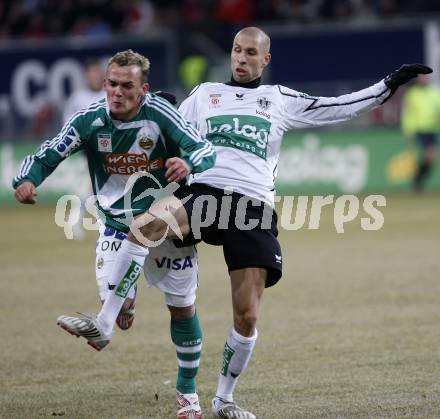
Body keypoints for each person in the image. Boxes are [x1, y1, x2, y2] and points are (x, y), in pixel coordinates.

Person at [58, 28, 431, 419]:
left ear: (264, 59)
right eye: (237, 50)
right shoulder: (203, 95)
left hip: (251, 206)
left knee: (247, 315)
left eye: (250, 52)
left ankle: (224, 399)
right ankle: (104, 323)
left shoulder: (279, 100)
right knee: (145, 226)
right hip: (205, 193)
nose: (241, 58)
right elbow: (167, 132)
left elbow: (340, 106)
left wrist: (389, 84)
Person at [13, 49, 215, 419]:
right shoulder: (89, 121)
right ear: (104, 84)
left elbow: (204, 149)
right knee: (120, 305)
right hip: (117, 224)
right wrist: (27, 178)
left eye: (127, 86)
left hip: (169, 221)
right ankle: (122, 304)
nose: (117, 92)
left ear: (143, 90)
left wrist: (187, 160)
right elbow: (48, 154)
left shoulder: (160, 115)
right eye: (112, 84)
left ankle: (187, 392)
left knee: (183, 310)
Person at [62, 58, 106, 240]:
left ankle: (79, 220)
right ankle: (79, 220)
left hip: (110, 146)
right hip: (90, 147)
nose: (94, 77)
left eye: (97, 73)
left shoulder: (108, 95)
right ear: (86, 76)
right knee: (94, 185)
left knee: (96, 188)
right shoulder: (78, 98)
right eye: (91, 73)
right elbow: (68, 123)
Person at [401, 73, 440, 192]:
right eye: (422, 77)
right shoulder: (412, 94)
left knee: (431, 157)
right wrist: (408, 131)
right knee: (427, 155)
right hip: (418, 129)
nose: (424, 79)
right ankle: (417, 181)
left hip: (431, 129)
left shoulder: (435, 93)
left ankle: (418, 180)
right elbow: (407, 114)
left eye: (426, 77)